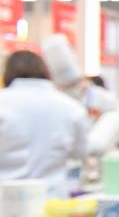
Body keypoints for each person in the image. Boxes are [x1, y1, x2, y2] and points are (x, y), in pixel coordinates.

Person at [0, 50, 89, 195]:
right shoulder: (71, 107)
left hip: (5, 199)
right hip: (52, 201)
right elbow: (80, 152)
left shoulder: (2, 102)